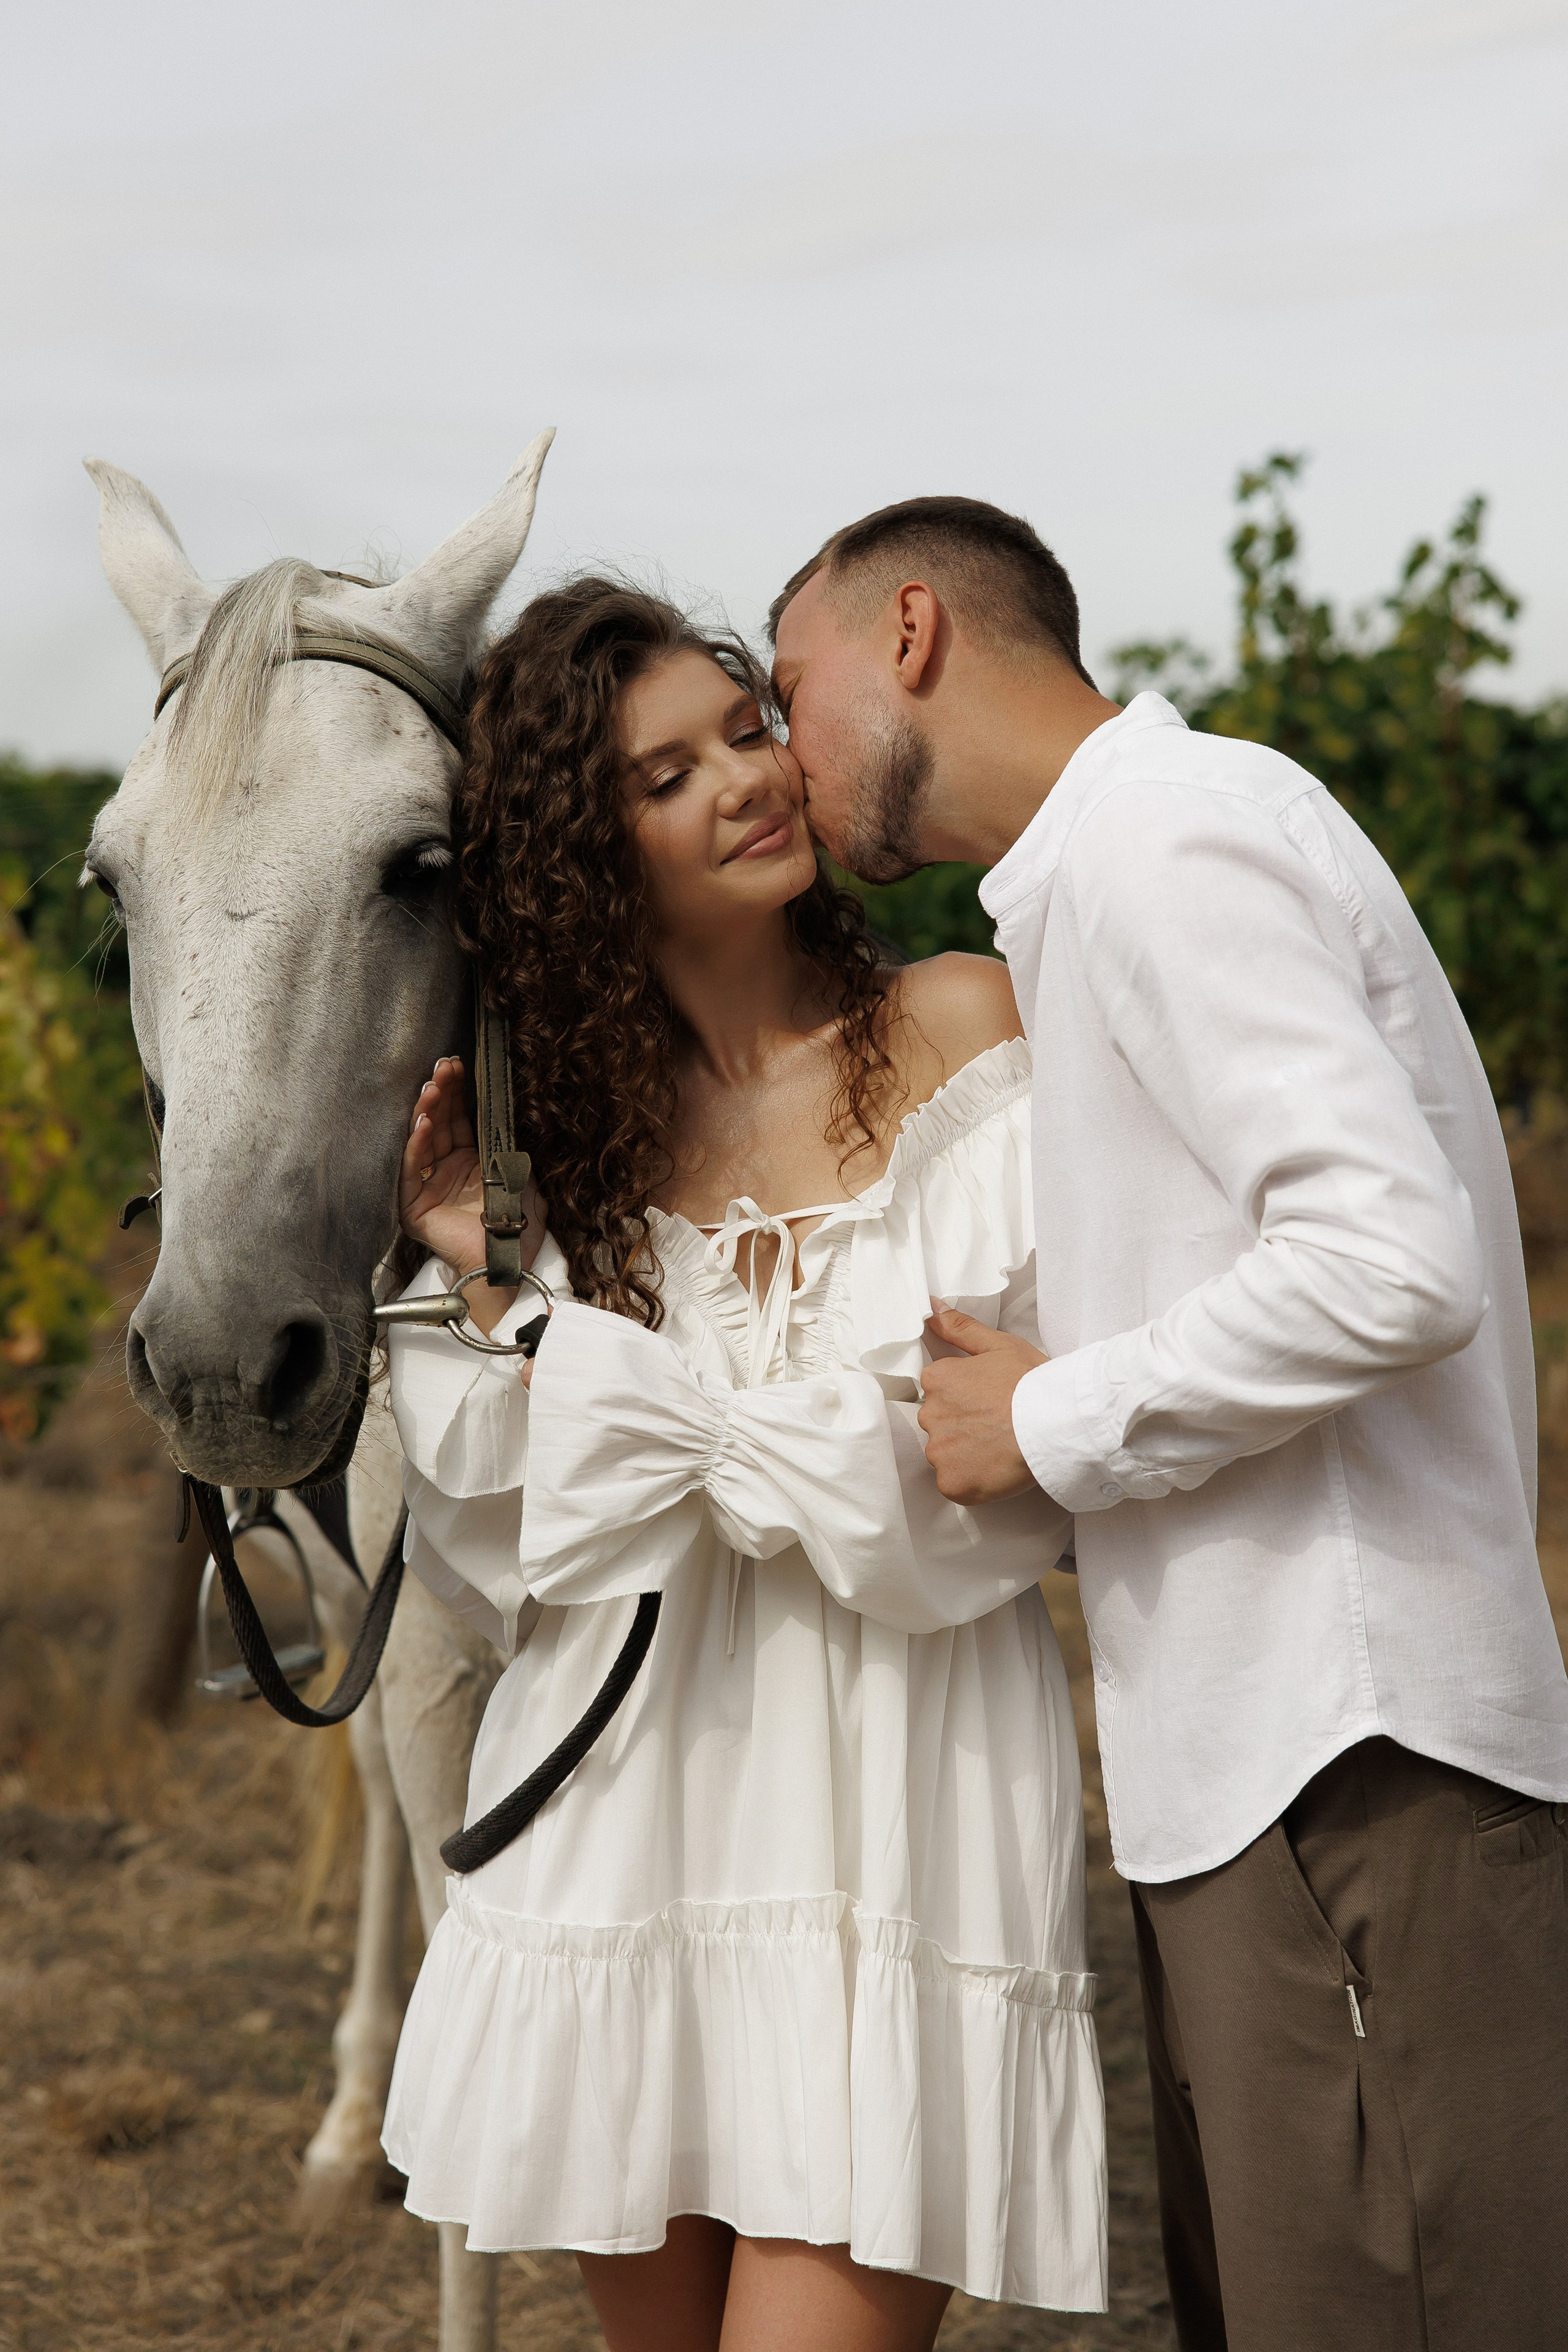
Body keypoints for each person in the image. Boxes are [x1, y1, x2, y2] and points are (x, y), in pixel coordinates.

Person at [767, 496, 1568, 2352]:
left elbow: (1390, 1259)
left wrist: (1052, 1418)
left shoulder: (1165, 843)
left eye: (789, 691)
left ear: (908, 638)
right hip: (1274, 1772)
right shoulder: (1096, 876)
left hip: (1349, 1755)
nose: (783, 763)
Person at [379, 579, 1108, 2351]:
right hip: (627, 1811)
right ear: (583, 851)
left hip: (897, 1803)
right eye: (664, 775)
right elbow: (506, 1555)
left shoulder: (968, 1024)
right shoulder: (554, 1139)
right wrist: (498, 1292)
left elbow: (983, 1479)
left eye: (747, 724)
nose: (747, 778)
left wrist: (608, 1378)